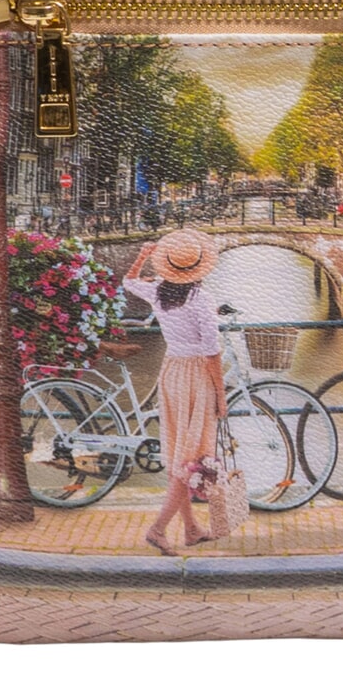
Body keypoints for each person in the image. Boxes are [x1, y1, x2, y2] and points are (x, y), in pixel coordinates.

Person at [142, 228, 226, 554]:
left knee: (180, 454)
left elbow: (128, 282)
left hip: (171, 371)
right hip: (195, 376)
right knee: (191, 459)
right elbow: (211, 351)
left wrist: (142, 256)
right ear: (200, 266)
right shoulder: (201, 299)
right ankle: (158, 529)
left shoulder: (158, 293)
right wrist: (221, 394)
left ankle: (191, 529)